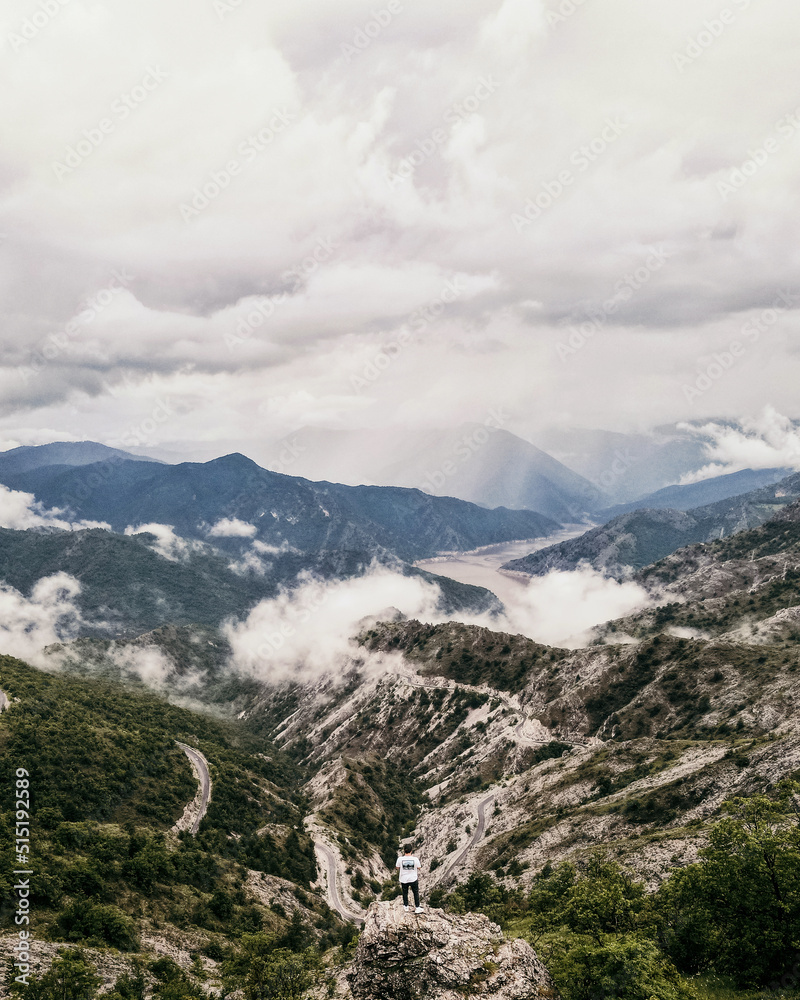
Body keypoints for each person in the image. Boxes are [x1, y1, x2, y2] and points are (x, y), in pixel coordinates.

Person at [396, 844, 423, 913]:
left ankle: (406, 906)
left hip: (403, 878)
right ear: (411, 850)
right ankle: (417, 907)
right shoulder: (415, 859)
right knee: (415, 893)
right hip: (413, 878)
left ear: (404, 850)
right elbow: (419, 867)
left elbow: (397, 867)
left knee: (405, 893)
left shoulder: (400, 859)